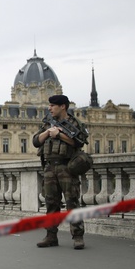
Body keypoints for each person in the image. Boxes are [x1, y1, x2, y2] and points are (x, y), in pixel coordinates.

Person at [32, 94, 90, 249]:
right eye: (49, 105)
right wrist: (47, 133)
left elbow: (79, 141)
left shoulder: (74, 123)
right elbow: (36, 142)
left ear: (63, 106)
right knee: (51, 203)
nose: (49, 108)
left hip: (67, 166)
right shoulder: (47, 123)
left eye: (53, 105)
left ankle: (78, 236)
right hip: (49, 167)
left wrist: (60, 135)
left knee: (72, 202)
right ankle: (51, 236)